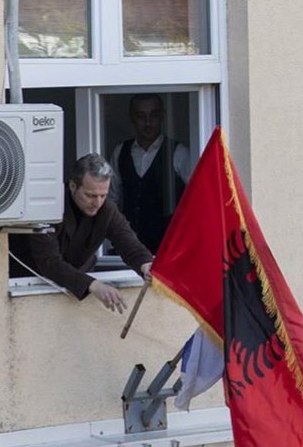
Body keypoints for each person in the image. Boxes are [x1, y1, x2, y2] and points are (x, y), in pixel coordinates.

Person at [27, 154, 153, 313]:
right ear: (73, 186)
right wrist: (93, 285)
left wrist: (146, 265)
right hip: (31, 288)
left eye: (103, 195)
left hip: (77, 291)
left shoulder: (107, 209)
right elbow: (49, 262)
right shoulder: (48, 207)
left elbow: (128, 243)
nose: (98, 203)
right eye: (91, 195)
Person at [110, 93, 191, 253]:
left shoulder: (178, 153)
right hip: (129, 248)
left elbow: (196, 199)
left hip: (168, 248)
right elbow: (112, 200)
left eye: (153, 115)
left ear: (162, 117)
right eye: (141, 116)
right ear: (132, 118)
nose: (148, 122)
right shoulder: (121, 152)